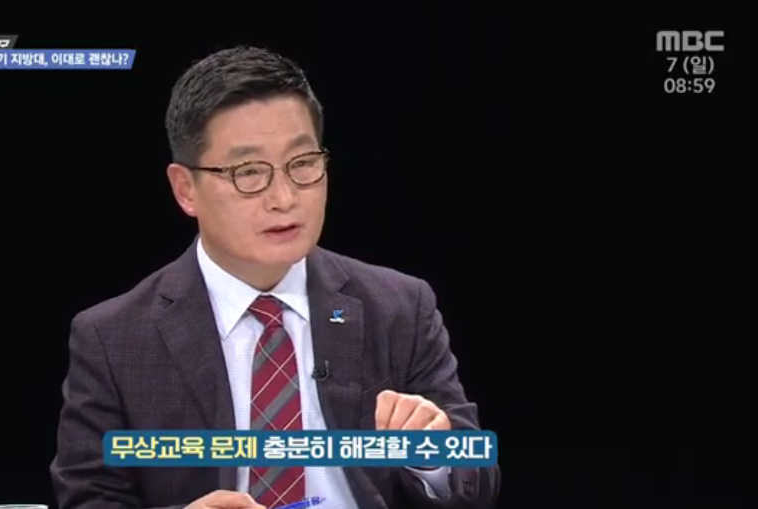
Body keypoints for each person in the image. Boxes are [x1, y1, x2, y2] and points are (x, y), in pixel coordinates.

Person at [50, 45, 500, 509]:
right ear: (186, 189)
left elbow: (477, 482)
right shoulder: (113, 338)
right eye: (248, 172)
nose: (283, 198)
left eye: (302, 164)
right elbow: (88, 497)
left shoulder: (399, 307)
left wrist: (432, 455)